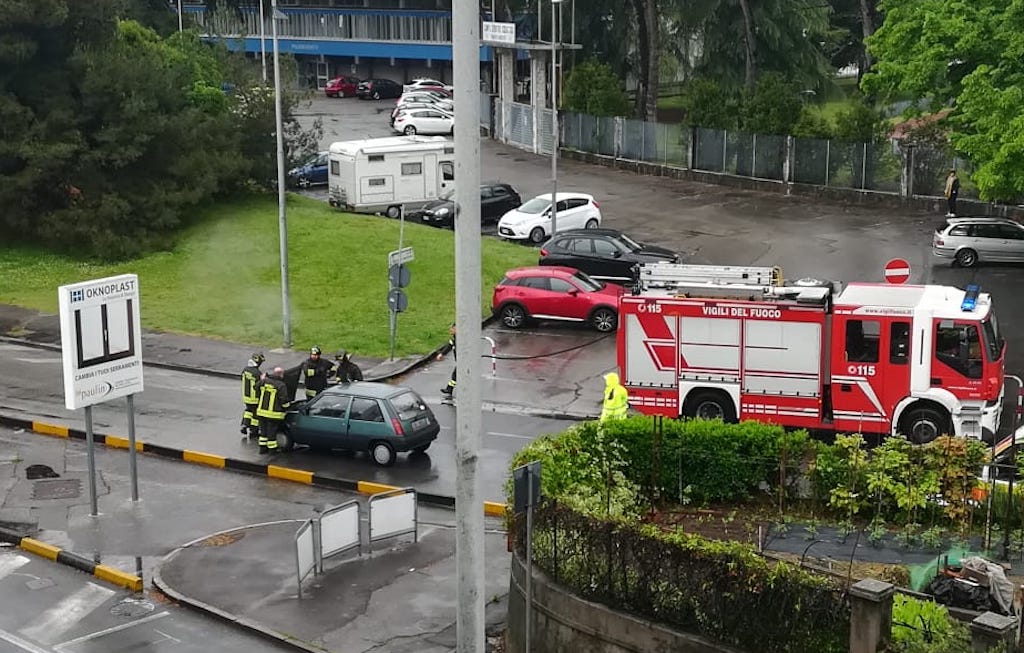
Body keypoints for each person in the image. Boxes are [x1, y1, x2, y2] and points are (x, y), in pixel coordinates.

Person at [256, 367, 291, 454]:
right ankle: (272, 450)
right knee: (271, 432)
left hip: (261, 412)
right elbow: (284, 401)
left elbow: (255, 387)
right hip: (273, 414)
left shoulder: (264, 382)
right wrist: (288, 407)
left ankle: (262, 449)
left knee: (263, 432)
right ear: (281, 375)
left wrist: (262, 379)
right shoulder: (281, 385)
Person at [240, 352, 266, 438]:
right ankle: (253, 431)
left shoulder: (245, 370)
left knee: (248, 410)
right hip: (255, 397)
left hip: (246, 396)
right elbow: (260, 385)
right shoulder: (257, 373)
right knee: (255, 414)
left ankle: (244, 425)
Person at [437, 323, 457, 396]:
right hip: (460, 362)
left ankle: (449, 389)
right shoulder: (455, 339)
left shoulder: (460, 339)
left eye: (452, 328)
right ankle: (449, 389)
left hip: (464, 362)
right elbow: (448, 346)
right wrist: (441, 354)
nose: (450, 330)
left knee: (456, 375)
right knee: (456, 376)